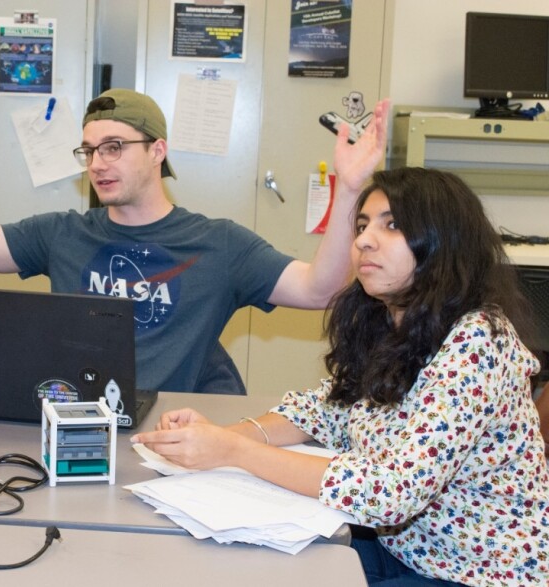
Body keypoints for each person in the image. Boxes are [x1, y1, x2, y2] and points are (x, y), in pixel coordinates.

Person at [132, 167, 548, 586]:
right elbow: (328, 410)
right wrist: (226, 436)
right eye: (363, 225)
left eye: (393, 225)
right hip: (408, 548)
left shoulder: (478, 341)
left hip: (479, 573)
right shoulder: (389, 320)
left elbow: (392, 493)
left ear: (444, 244)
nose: (364, 239)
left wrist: (233, 453)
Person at [0, 66, 390, 394]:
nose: (98, 163)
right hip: (83, 428)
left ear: (158, 151)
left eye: (115, 146)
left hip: (179, 438)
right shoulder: (61, 235)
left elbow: (322, 289)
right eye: (90, 150)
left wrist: (348, 190)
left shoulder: (219, 244)